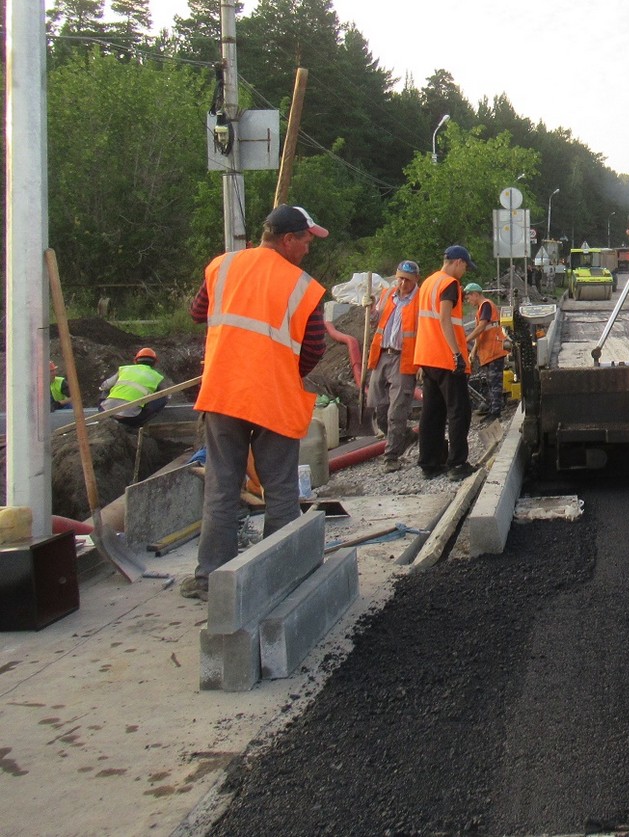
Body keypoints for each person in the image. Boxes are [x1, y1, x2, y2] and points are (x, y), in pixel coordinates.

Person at [180, 204, 330, 601]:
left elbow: (198, 312)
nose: (308, 249)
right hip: (272, 398)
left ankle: (210, 580)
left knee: (221, 487)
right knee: (279, 488)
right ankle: (278, 576)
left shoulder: (222, 267)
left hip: (224, 391)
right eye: (306, 240)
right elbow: (314, 349)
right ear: (287, 240)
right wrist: (282, 366)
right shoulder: (303, 287)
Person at [414, 245, 475, 480]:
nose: (465, 271)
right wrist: (456, 354)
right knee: (459, 411)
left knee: (432, 412)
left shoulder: (428, 282)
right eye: (465, 266)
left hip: (427, 357)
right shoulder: (449, 284)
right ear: (457, 262)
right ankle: (457, 464)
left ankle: (429, 463)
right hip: (446, 358)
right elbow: (444, 318)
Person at [367, 259, 421, 471]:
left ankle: (391, 457)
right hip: (382, 356)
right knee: (379, 409)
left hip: (404, 358)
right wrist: (370, 309)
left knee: (396, 411)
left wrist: (422, 365)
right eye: (399, 278)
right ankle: (405, 437)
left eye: (407, 280)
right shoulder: (387, 295)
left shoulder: (420, 300)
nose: (402, 283)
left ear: (416, 279)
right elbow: (374, 322)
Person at [464, 282, 510, 418]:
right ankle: (492, 410)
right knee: (490, 383)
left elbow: (481, 327)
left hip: (494, 350)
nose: (468, 300)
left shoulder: (485, 305)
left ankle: (496, 412)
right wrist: (473, 352)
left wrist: (465, 340)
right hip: (488, 352)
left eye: (469, 297)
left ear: (475, 294)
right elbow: (481, 333)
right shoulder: (481, 309)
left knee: (495, 383)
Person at [99, 347, 172, 428]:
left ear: (135, 361)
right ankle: (137, 425)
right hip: (132, 418)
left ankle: (105, 416)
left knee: (106, 388)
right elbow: (167, 395)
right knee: (163, 397)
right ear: (155, 363)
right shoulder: (157, 377)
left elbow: (104, 386)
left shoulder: (124, 369)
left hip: (106, 412)